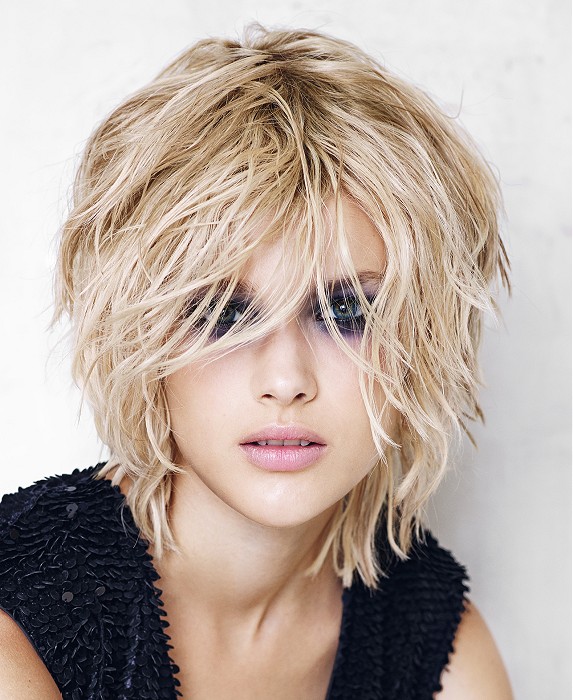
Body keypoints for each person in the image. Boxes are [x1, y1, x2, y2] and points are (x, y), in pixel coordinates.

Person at [0, 25, 513, 699]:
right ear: (138, 335)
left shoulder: (435, 643)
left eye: (347, 313)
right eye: (223, 314)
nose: (285, 381)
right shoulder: (20, 612)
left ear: (424, 336)